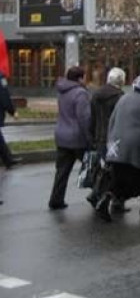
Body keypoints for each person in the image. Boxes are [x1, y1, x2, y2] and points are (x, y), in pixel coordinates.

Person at [98, 74, 140, 221]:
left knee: (120, 176)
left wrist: (111, 142)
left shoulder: (124, 98)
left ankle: (108, 199)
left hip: (118, 143)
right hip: (139, 145)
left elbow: (112, 120)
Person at [49, 66, 92, 210]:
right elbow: (84, 118)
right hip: (77, 138)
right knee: (93, 167)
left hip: (61, 136)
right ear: (80, 78)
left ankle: (56, 200)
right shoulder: (80, 93)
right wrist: (90, 138)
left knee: (61, 171)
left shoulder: (62, 91)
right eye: (85, 76)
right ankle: (98, 196)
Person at [86, 67, 126, 211]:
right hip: (114, 138)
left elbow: (92, 117)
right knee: (115, 171)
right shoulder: (120, 97)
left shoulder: (96, 95)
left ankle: (99, 195)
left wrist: (91, 136)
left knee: (105, 168)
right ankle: (104, 197)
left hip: (99, 136)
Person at [0, 70, 21, 170]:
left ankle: (8, 160)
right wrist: (12, 111)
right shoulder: (0, 77)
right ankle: (8, 160)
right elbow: (4, 95)